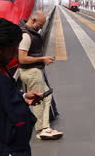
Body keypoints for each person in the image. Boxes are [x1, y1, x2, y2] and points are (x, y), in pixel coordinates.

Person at [0, 18, 42, 156]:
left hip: (18, 148)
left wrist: (23, 96)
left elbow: (3, 94)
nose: (16, 54)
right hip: (8, 155)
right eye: (13, 49)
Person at [18, 10, 63, 140]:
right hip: (31, 72)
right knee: (38, 100)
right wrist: (42, 59)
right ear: (33, 20)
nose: (41, 28)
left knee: (47, 94)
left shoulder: (31, 33)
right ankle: (41, 129)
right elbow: (22, 59)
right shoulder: (26, 36)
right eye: (40, 25)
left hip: (35, 71)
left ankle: (45, 126)